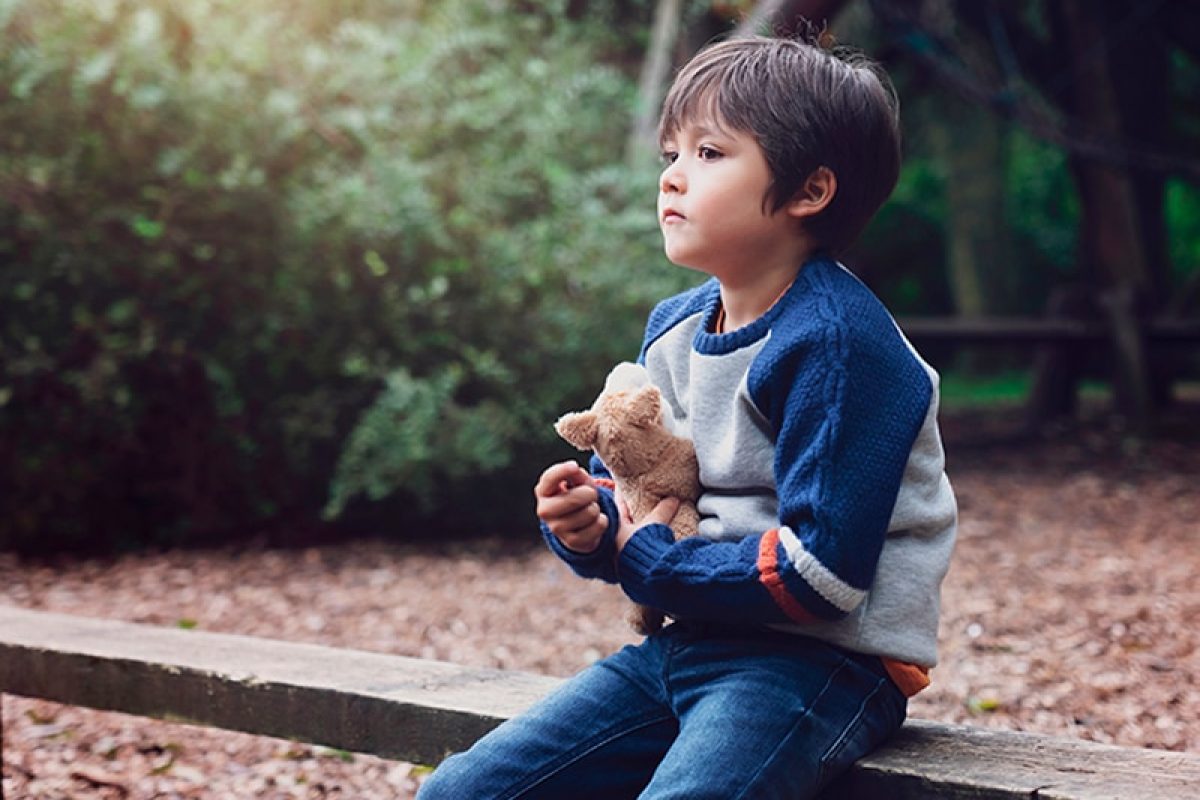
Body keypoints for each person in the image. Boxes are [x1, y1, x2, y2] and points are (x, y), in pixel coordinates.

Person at [418, 31, 957, 800]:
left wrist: (653, 564)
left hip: (822, 663)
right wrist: (593, 524)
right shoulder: (677, 327)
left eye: (709, 154)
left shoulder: (838, 346)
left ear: (810, 191)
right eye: (671, 153)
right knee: (460, 793)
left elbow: (823, 575)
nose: (671, 178)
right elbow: (653, 498)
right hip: (686, 642)